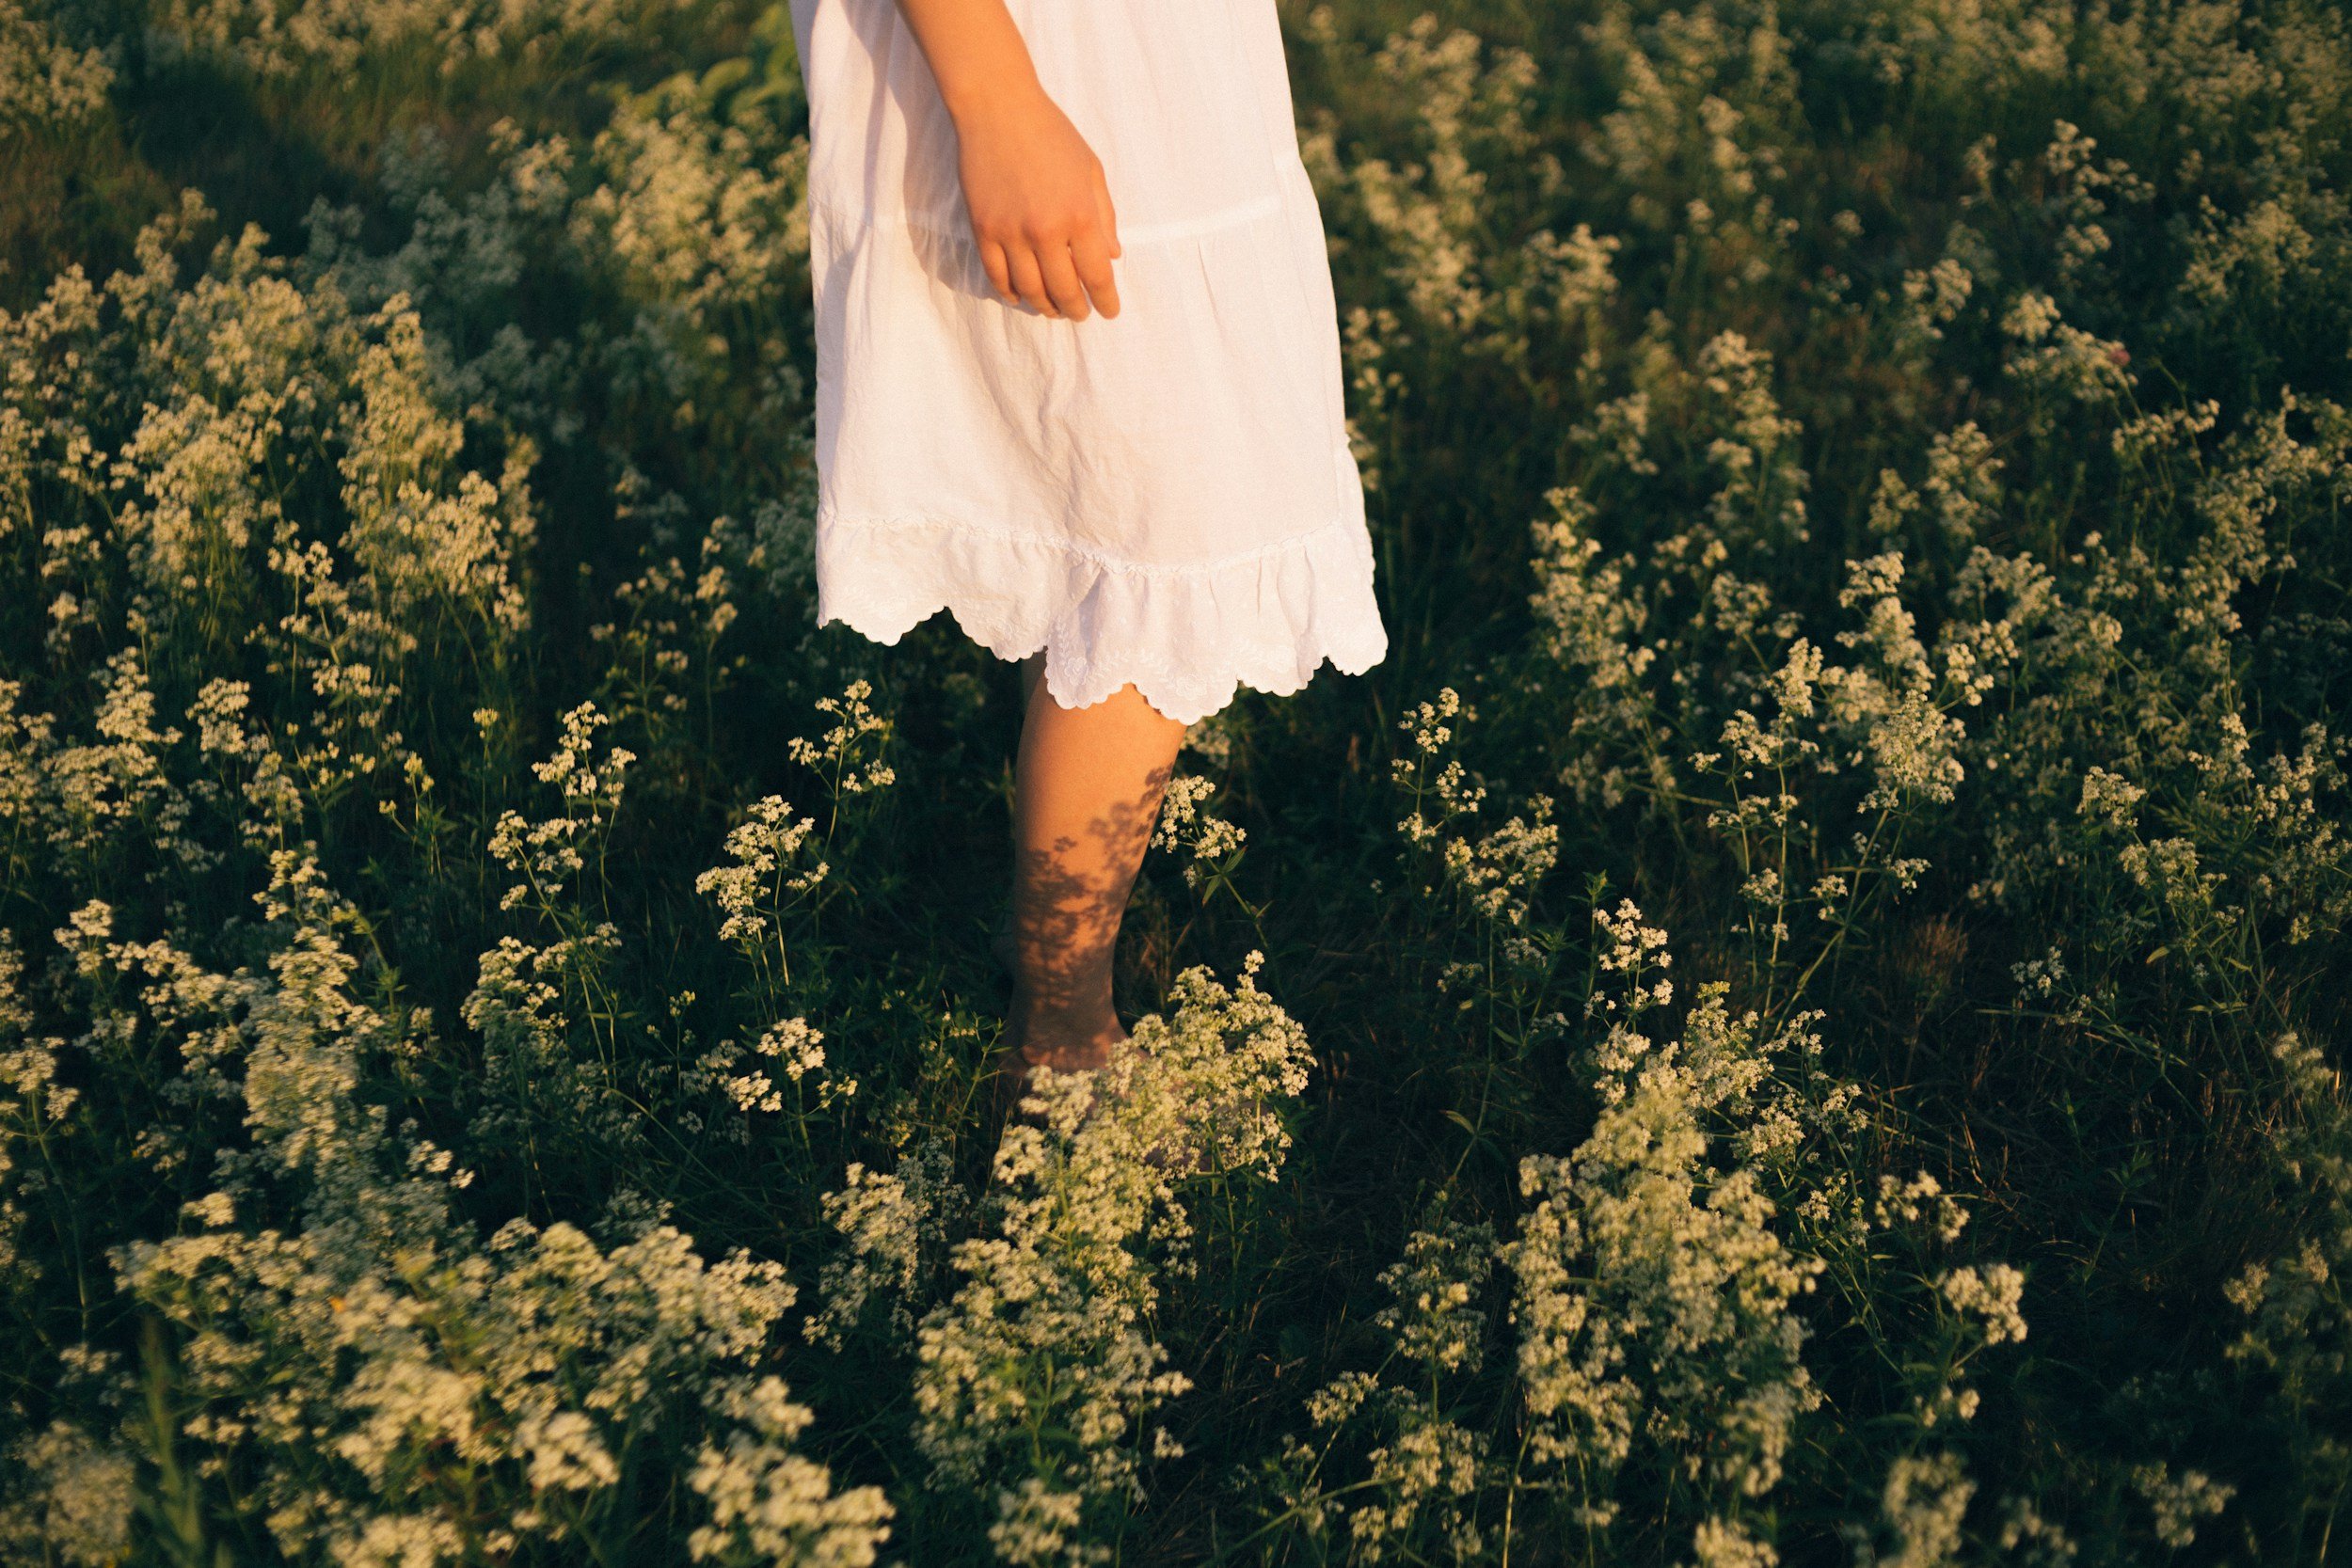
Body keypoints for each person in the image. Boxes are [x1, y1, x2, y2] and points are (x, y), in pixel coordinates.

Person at [784, 0, 1389, 1135]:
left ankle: (1052, 989)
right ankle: (1059, 1040)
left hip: (1143, 69)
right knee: (1164, 547)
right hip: (1048, 64)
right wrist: (997, 98)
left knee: (1105, 522)